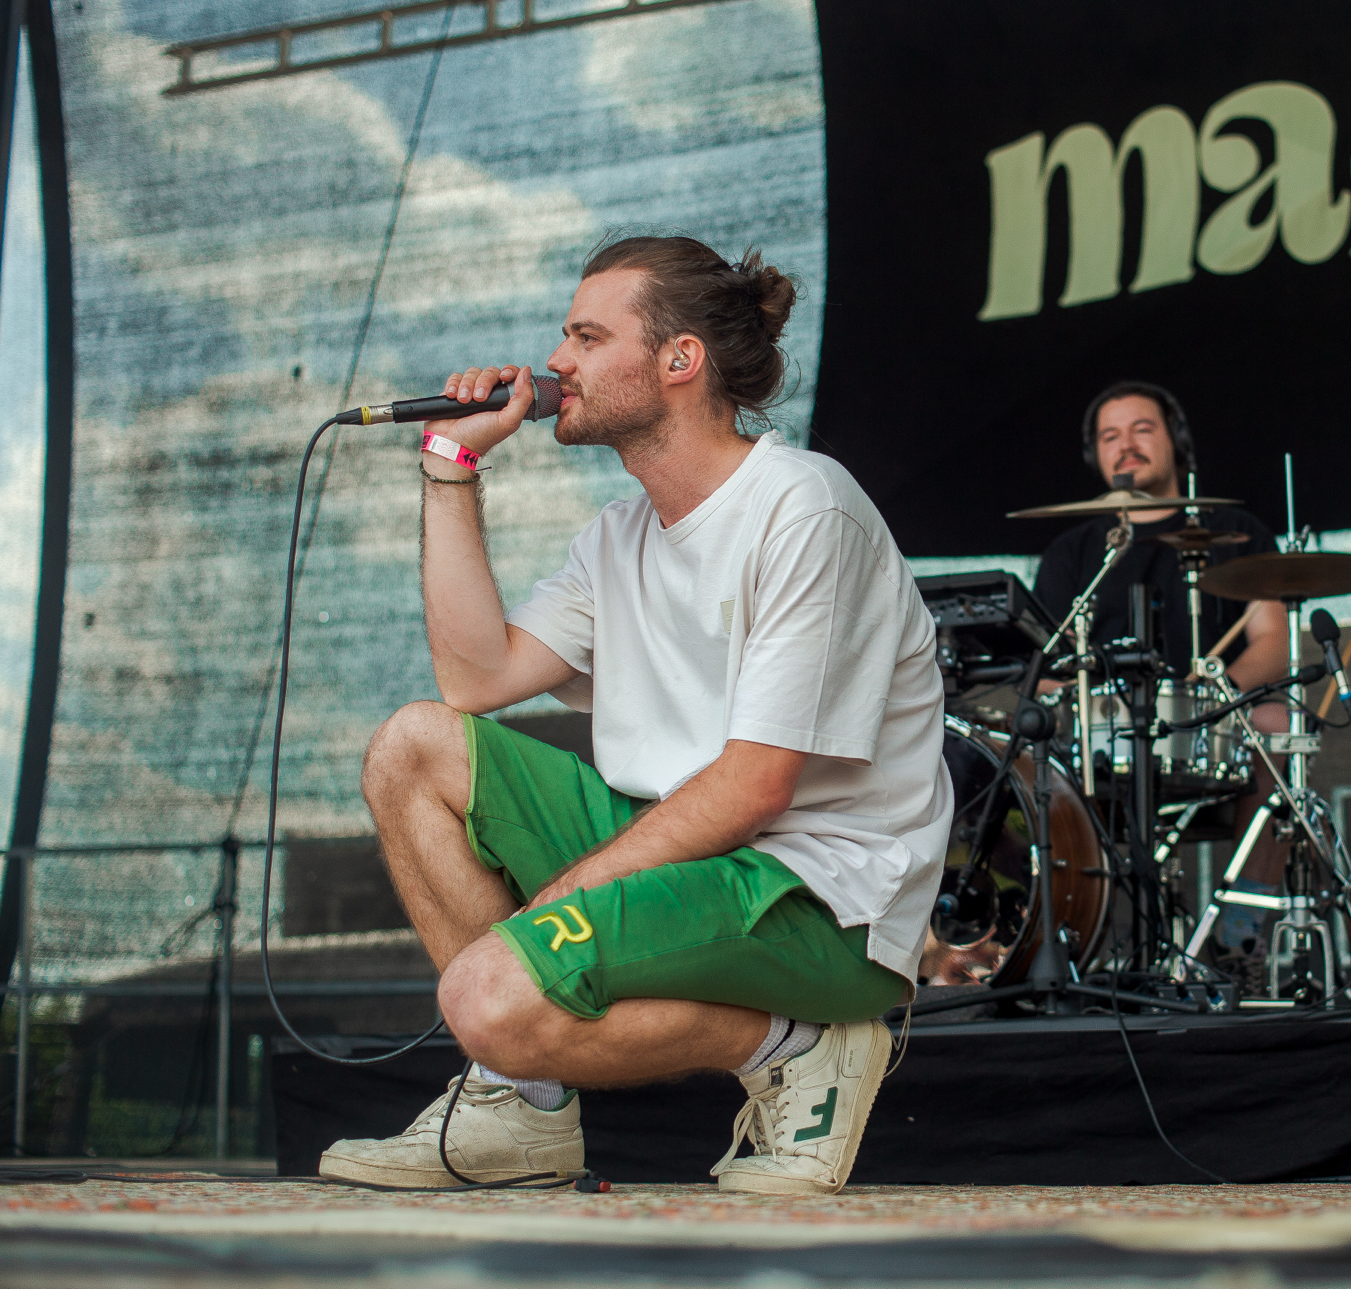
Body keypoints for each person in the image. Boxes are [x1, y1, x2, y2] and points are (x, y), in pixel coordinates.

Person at [318, 235, 950, 1194]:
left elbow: (754, 786)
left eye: (585, 335)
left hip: (819, 895)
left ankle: (804, 1044)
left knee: (487, 991)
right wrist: (450, 463)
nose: (556, 361)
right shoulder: (616, 538)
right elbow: (473, 680)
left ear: (679, 359)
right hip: (687, 855)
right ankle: (515, 1107)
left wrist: (569, 894)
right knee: (413, 746)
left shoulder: (803, 507)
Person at [1031, 381, 1291, 986]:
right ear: (1095, 455)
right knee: (1022, 760)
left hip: (1208, 726)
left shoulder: (1233, 529)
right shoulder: (1073, 551)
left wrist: (1213, 698)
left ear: (1174, 439)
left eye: (1142, 429)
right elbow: (1043, 673)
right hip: (1103, 737)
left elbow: (1274, 644)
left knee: (1279, 725)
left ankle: (1240, 942)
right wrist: (1074, 702)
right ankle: (1067, 948)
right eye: (1109, 436)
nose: (1126, 446)